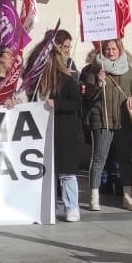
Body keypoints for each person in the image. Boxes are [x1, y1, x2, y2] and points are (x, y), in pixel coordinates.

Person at [80, 40, 132, 212]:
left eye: (114, 49)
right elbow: (88, 96)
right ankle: (94, 196)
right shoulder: (93, 70)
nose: (111, 52)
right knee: (99, 158)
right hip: (102, 119)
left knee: (125, 159)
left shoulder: (128, 70)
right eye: (107, 49)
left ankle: (127, 196)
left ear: (120, 49)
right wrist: (99, 83)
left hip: (123, 120)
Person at [40, 31, 87, 220]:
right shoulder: (39, 83)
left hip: (64, 130)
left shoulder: (67, 80)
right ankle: (48, 204)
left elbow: (77, 103)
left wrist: (57, 104)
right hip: (44, 130)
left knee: (67, 171)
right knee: (47, 170)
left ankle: (72, 206)